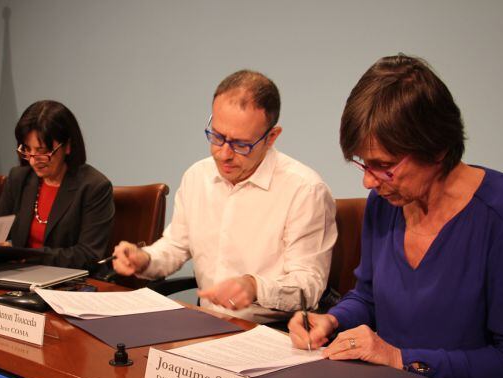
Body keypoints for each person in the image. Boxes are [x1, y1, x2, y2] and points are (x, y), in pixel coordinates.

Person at [288, 54, 503, 378]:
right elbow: (369, 297)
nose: (368, 181)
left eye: (384, 166)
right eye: (363, 163)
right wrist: (332, 320)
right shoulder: (385, 203)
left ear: (436, 148)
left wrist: (401, 359)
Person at [112, 70, 336, 323]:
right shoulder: (197, 176)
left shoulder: (305, 190)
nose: (223, 154)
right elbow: (175, 246)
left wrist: (254, 287)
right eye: (217, 137)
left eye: (240, 144)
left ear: (271, 137)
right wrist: (144, 259)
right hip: (207, 321)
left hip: (273, 329)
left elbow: (308, 286)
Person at [0, 100, 114, 271]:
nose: (33, 161)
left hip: (68, 279)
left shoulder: (94, 186)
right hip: (19, 276)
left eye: (42, 151)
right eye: (27, 150)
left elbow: (88, 255)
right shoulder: (19, 178)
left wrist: (25, 256)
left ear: (67, 146)